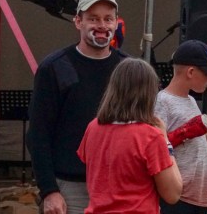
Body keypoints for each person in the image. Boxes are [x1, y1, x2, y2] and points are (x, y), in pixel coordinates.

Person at [26, 0, 128, 214]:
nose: (102, 25)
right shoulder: (54, 67)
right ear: (78, 22)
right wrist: (49, 191)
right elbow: (38, 134)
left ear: (115, 23)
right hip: (70, 188)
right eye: (93, 19)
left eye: (108, 19)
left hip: (119, 187)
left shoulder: (127, 69)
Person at [77, 57, 183, 214]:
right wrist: (166, 141)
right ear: (148, 93)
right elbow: (173, 194)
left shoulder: (93, 127)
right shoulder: (150, 136)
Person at [155, 39, 207, 214]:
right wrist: (188, 130)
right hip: (176, 198)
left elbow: (195, 144)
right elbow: (156, 148)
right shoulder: (162, 101)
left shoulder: (191, 100)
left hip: (198, 195)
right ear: (191, 72)